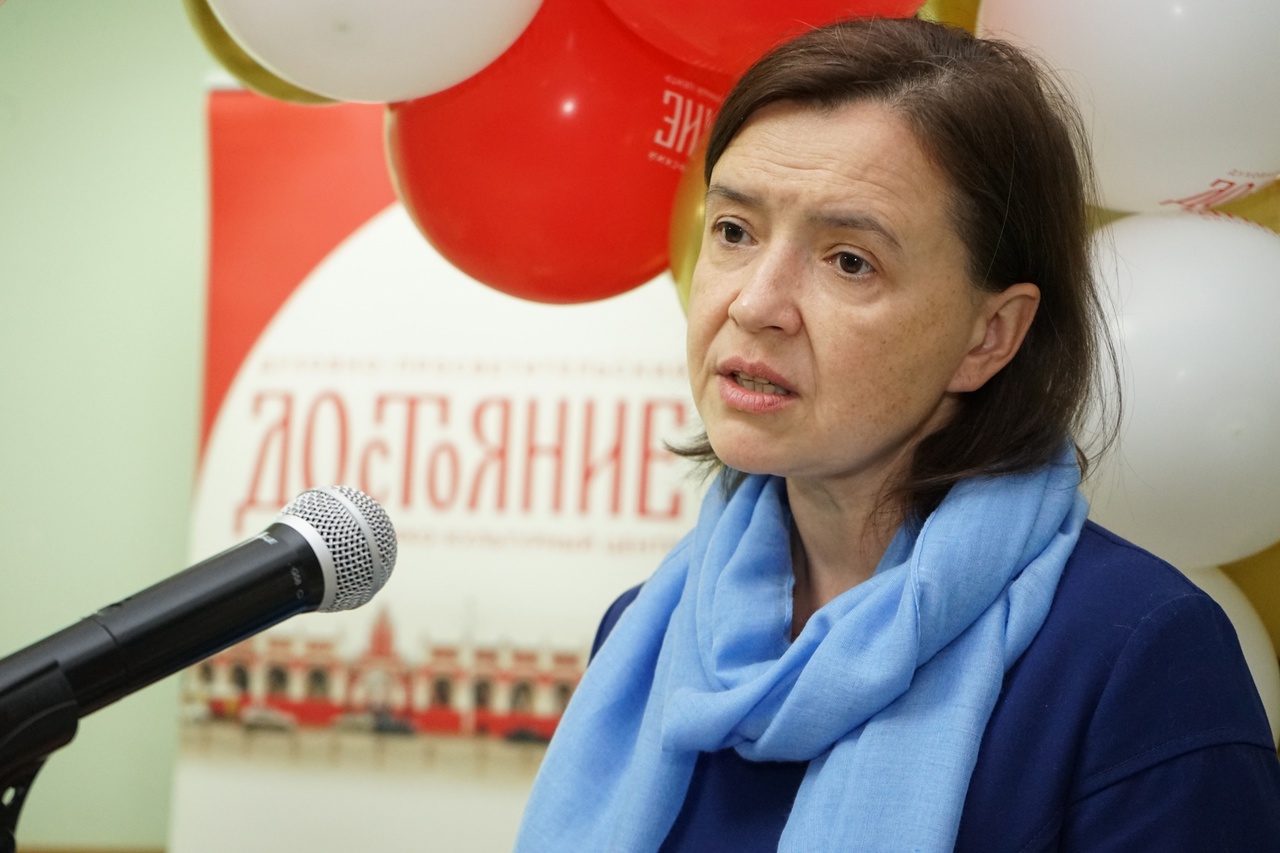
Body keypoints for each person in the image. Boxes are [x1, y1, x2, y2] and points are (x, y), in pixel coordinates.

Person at [515, 16, 1280, 853]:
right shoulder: (645, 633)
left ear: (990, 335)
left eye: (850, 260)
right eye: (734, 231)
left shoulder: (1139, 656)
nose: (754, 304)